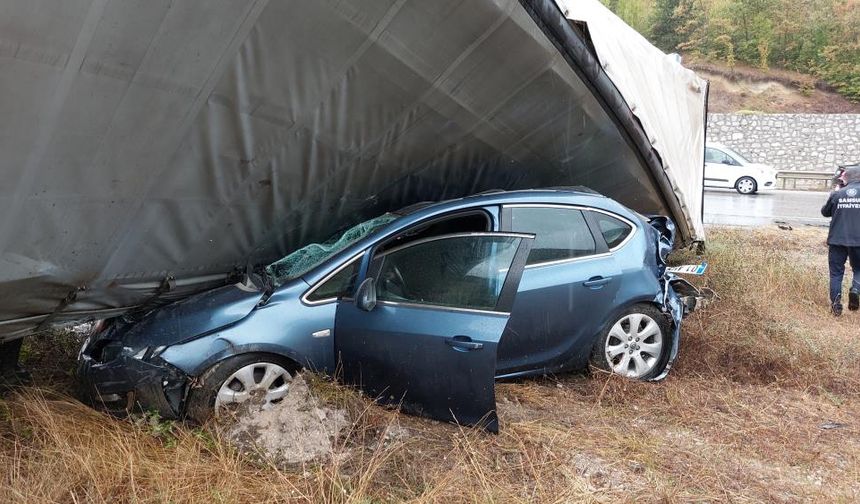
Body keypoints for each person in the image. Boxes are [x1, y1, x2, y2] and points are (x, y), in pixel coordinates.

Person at [821, 166, 860, 316]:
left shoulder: (837, 194)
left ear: (847, 178)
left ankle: (836, 306)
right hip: (858, 240)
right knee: (859, 269)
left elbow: (825, 212)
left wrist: (835, 193)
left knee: (836, 273)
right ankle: (856, 289)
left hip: (837, 240)